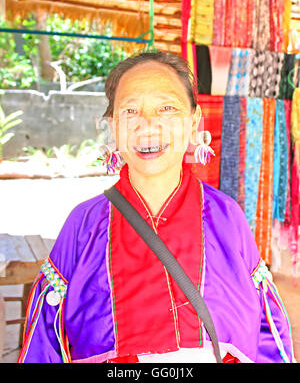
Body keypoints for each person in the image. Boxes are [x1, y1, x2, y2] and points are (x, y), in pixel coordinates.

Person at [18, 51, 294, 363]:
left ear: (194, 122)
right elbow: (45, 339)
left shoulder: (227, 217)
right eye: (130, 111)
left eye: (166, 108)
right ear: (112, 127)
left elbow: (268, 331)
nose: (148, 125)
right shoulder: (83, 224)